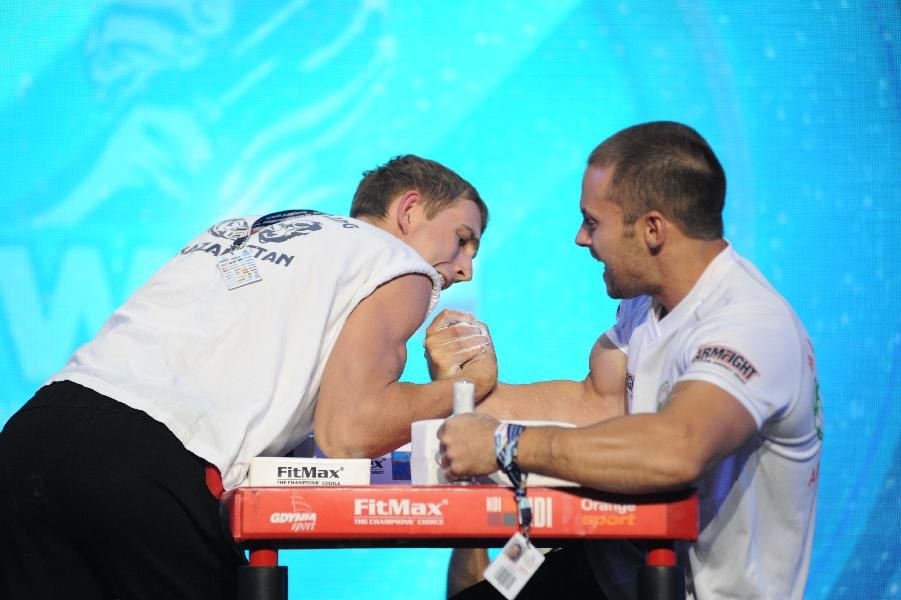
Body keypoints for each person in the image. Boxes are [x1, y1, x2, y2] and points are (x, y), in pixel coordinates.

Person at [0, 155, 498, 600]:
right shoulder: (399, 263)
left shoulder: (243, 228)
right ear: (409, 209)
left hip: (32, 436)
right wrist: (465, 388)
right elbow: (351, 431)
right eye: (462, 240)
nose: (465, 269)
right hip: (149, 470)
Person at [432, 122, 821, 599]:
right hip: (612, 574)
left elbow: (676, 450)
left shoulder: (751, 324)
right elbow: (591, 403)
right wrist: (462, 394)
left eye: (592, 222)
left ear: (653, 230)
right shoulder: (647, 302)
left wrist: (504, 444)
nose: (580, 238)